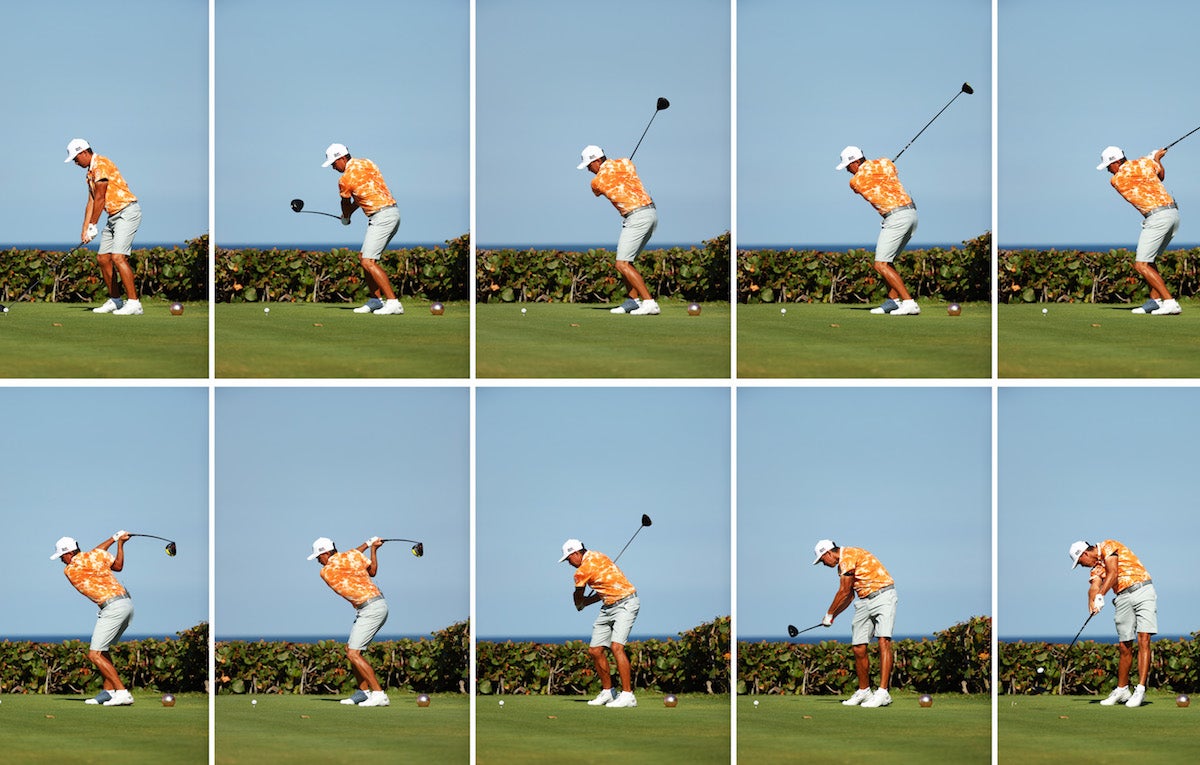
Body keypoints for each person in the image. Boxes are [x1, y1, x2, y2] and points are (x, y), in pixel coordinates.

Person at [1069, 539, 1157, 707]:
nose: (1082, 566)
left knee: (1143, 639)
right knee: (1124, 645)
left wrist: (1102, 594)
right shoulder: (1096, 567)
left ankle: (1140, 690)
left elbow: (1113, 572)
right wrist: (1093, 601)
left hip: (1142, 590)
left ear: (1085, 554)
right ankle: (1122, 689)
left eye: (1080, 562)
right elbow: (1094, 585)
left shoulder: (1108, 545)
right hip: (1122, 597)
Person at [52, 532, 136, 706]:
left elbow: (94, 553)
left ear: (68, 554)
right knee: (103, 650)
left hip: (112, 608)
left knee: (94, 654)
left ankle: (122, 692)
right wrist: (118, 541)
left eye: (62, 556)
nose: (62, 560)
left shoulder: (70, 570)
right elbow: (117, 565)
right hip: (126, 604)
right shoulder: (95, 556)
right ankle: (109, 692)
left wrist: (115, 540)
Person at [1097, 146, 1182, 315]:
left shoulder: (1117, 180)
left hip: (1157, 218)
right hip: (1172, 214)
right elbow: (1161, 176)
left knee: (1141, 265)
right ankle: (1155, 302)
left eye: (1109, 166)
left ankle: (1170, 302)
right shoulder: (1144, 163)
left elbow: (1134, 173)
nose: (1108, 170)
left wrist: (1152, 158)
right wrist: (1156, 158)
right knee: (1149, 261)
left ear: (1117, 161)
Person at [836, 146, 920, 316]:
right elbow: (890, 171)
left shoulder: (855, 182)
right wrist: (880, 169)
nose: (847, 170)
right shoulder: (885, 163)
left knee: (880, 264)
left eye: (848, 166)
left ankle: (909, 302)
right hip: (911, 214)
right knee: (887, 261)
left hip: (896, 218)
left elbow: (867, 180)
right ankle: (893, 302)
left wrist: (874, 173)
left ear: (856, 162)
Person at [577, 145, 660, 316]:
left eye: (588, 166)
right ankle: (633, 301)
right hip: (651, 213)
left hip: (636, 217)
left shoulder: (596, 182)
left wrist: (609, 173)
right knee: (626, 261)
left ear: (597, 161)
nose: (588, 170)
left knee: (621, 264)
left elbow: (598, 191)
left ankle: (649, 302)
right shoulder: (626, 163)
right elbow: (626, 168)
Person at [813, 539, 896, 708]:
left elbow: (843, 591)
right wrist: (833, 616)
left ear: (828, 553)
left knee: (883, 641)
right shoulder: (842, 566)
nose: (823, 564)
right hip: (864, 600)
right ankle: (864, 691)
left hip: (884, 596)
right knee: (858, 646)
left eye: (822, 560)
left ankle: (882, 692)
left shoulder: (848, 555)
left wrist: (828, 613)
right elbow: (849, 596)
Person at [322, 143, 404, 315]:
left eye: (334, 164)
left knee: (368, 261)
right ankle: (375, 301)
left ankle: (393, 302)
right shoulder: (368, 163)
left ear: (342, 158)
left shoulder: (345, 179)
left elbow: (346, 203)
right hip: (392, 212)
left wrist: (345, 217)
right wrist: (348, 215)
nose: (333, 168)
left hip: (381, 217)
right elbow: (362, 196)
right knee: (364, 258)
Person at [309, 536, 391, 707]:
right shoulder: (347, 560)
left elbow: (348, 557)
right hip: (371, 607)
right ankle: (363, 693)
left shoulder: (329, 569)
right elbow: (371, 570)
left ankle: (379, 694)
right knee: (351, 651)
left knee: (353, 654)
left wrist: (368, 545)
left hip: (372, 608)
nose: (318, 561)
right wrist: (372, 548)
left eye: (318, 557)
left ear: (326, 553)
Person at [65, 139, 143, 315]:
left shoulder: (101, 164)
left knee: (118, 257)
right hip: (113, 215)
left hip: (127, 211)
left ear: (84, 152)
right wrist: (85, 229)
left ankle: (134, 303)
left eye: (76, 158)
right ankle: (116, 300)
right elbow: (91, 201)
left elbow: (101, 197)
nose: (75, 163)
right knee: (103, 258)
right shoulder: (90, 174)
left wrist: (94, 224)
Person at [559, 538, 640, 708]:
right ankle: (608, 692)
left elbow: (578, 596)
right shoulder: (599, 555)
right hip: (608, 606)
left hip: (626, 603)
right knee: (595, 651)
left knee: (617, 647)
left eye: (568, 559)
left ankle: (628, 695)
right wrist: (585, 603)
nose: (569, 563)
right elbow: (602, 591)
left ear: (576, 553)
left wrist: (580, 604)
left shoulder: (581, 571)